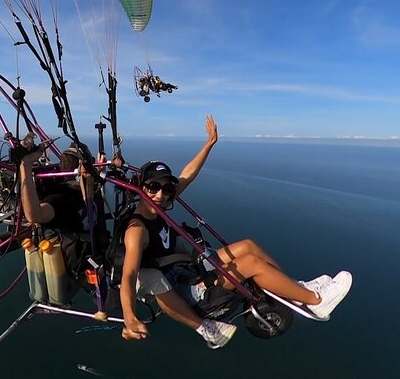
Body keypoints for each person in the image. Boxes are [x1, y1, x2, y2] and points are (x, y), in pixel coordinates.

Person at [119, 115, 352, 349]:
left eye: (167, 188)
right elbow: (129, 276)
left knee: (249, 246)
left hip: (188, 270)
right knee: (249, 263)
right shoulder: (137, 230)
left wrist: (209, 144)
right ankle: (315, 301)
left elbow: (187, 175)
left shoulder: (157, 204)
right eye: (153, 187)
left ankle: (293, 290)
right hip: (185, 292)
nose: (161, 194)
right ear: (140, 188)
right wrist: (129, 316)